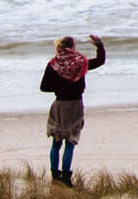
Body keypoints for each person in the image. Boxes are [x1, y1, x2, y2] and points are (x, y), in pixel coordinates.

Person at [40, 33, 106, 187]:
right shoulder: (80, 62)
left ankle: (55, 176)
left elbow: (44, 87)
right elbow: (100, 61)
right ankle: (66, 178)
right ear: (73, 47)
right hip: (75, 105)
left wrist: (59, 87)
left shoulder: (53, 64)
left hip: (59, 105)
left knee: (56, 143)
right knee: (70, 142)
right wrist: (99, 45)